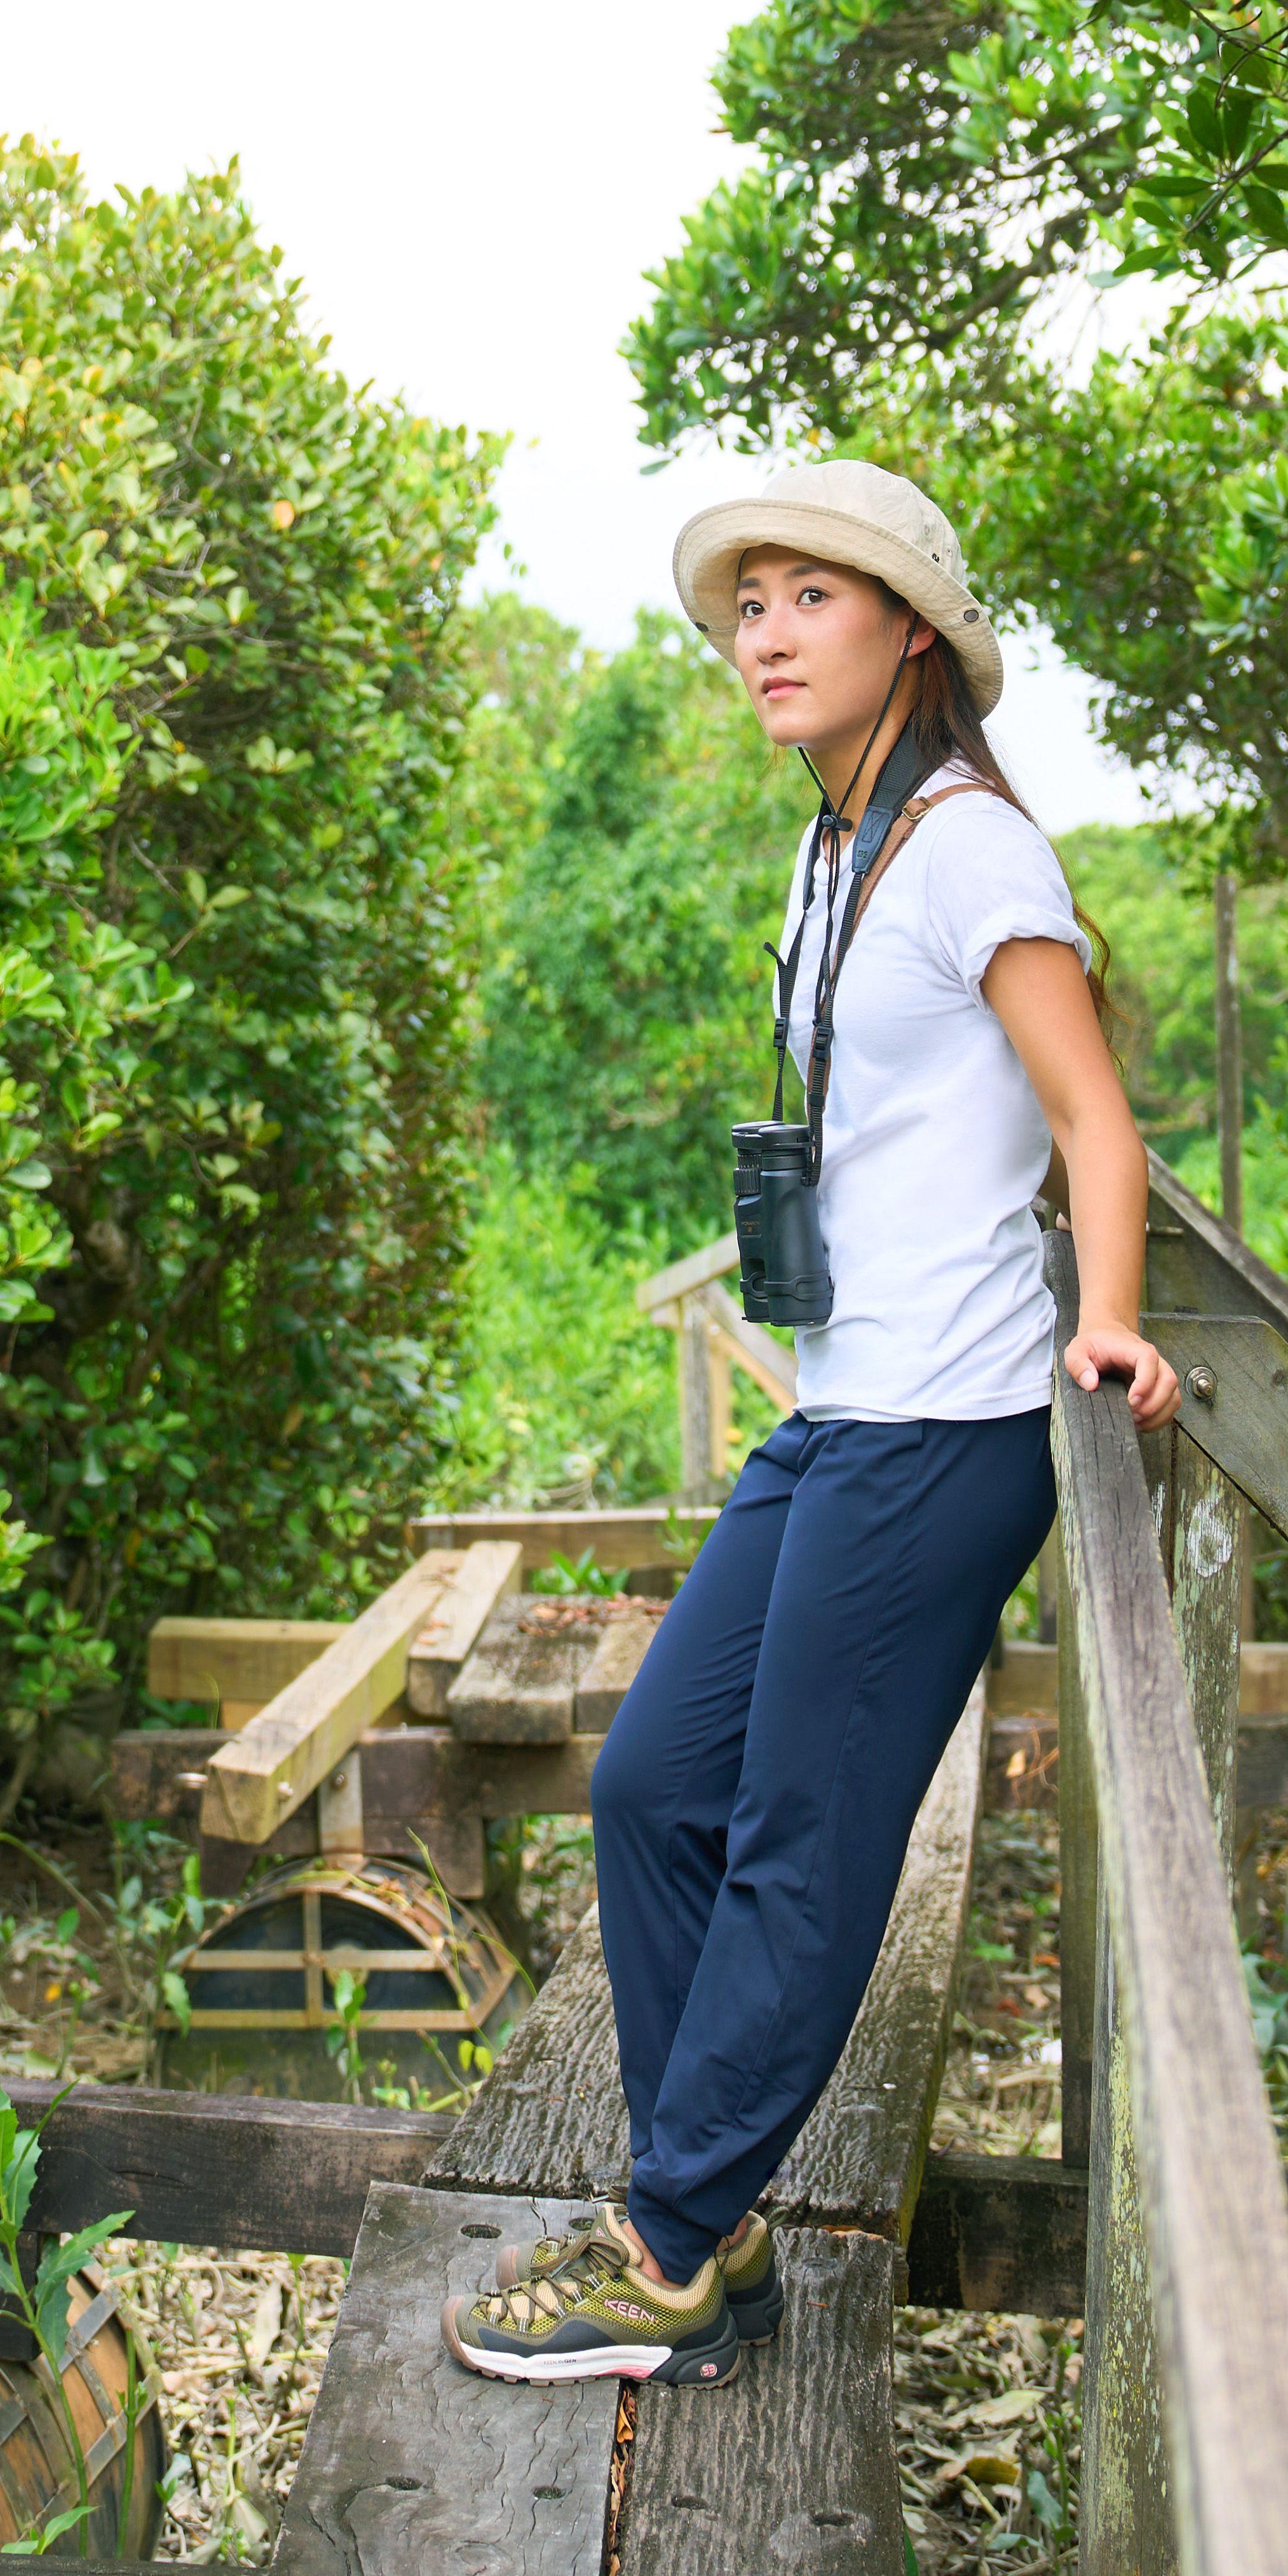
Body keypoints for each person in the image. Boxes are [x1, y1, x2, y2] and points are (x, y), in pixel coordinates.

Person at [446, 459, 1177, 2387]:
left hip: (945, 1432)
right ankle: (722, 2214)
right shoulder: (832, 848)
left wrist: (1105, 1324)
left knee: (798, 1831)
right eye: (748, 602)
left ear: (909, 633)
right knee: (651, 1783)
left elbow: (1097, 1122)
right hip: (843, 1406)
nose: (764, 632)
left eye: (809, 598)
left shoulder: (971, 853)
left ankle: (668, 2244)